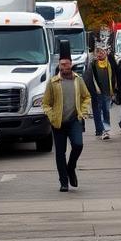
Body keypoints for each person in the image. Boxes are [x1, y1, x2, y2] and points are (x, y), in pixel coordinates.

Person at [41, 43, 91, 192]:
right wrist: (51, 115)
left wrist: (83, 112)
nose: (64, 67)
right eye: (62, 65)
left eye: (67, 64)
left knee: (78, 145)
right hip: (58, 123)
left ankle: (71, 167)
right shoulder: (53, 82)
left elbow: (86, 96)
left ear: (71, 65)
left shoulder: (78, 80)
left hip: (74, 120)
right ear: (59, 66)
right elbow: (46, 103)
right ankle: (63, 181)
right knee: (60, 153)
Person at [83, 45, 118, 140]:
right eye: (98, 52)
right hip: (96, 91)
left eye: (102, 52)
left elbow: (115, 74)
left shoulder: (110, 63)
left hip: (107, 91)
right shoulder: (93, 64)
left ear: (106, 53)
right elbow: (87, 78)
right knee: (98, 111)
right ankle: (101, 130)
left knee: (105, 110)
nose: (100, 54)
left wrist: (116, 89)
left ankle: (104, 130)